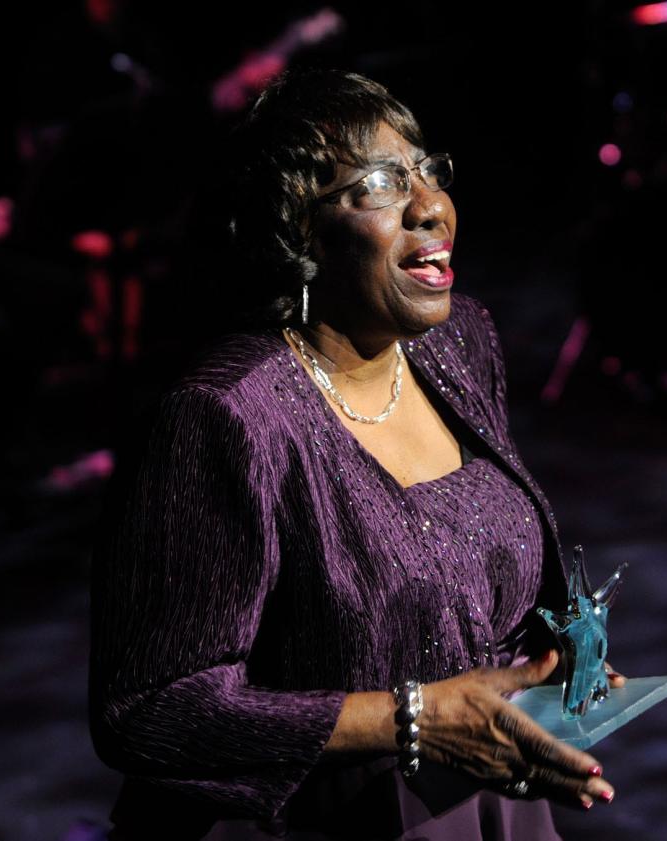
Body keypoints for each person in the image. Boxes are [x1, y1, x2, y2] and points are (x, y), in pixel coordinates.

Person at [89, 68, 620, 841]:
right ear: (299, 231)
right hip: (324, 818)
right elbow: (149, 710)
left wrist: (549, 664)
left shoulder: (456, 342)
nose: (432, 206)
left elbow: (465, 585)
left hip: (490, 796)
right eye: (378, 184)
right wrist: (412, 718)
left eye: (427, 172)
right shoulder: (228, 415)